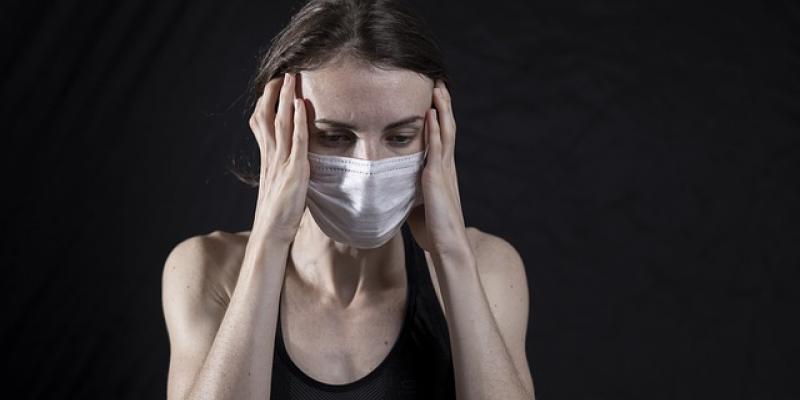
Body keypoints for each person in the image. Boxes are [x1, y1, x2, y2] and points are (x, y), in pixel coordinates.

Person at [161, 0, 534, 399]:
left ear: (437, 134)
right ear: (277, 131)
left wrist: (452, 254)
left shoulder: (488, 268)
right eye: (335, 137)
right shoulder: (207, 271)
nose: (370, 167)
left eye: (400, 137)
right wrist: (270, 240)